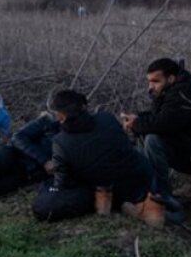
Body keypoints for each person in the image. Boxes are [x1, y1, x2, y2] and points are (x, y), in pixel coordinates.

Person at [32, 90, 156, 224]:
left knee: (44, 204)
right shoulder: (106, 117)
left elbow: (64, 183)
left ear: (61, 117)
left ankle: (119, 203)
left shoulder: (60, 142)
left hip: (110, 190)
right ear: (84, 106)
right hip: (142, 180)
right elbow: (124, 145)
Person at [121, 58, 191, 210]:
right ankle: (148, 192)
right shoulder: (172, 92)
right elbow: (159, 117)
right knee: (146, 134)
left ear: (171, 78)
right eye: (149, 82)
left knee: (152, 140)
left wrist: (136, 124)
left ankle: (161, 198)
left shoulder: (182, 94)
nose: (150, 87)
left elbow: (164, 123)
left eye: (155, 81)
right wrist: (137, 120)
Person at [0, 111, 59, 205]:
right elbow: (18, 138)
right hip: (14, 155)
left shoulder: (71, 140)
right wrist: (44, 161)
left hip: (26, 174)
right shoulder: (49, 121)